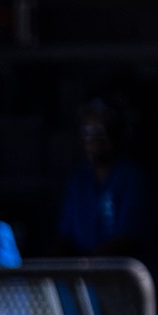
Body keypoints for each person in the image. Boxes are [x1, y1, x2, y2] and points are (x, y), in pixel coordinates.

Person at [56, 102, 150, 259]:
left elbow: (129, 237)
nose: (93, 140)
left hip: (120, 271)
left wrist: (92, 263)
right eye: (87, 132)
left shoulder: (132, 178)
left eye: (101, 132)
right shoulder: (79, 180)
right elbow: (66, 233)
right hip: (82, 272)